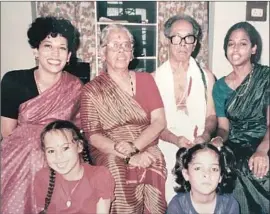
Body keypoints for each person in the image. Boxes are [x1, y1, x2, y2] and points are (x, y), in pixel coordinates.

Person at [80, 24, 167, 214]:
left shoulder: (146, 80)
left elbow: (159, 121)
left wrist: (135, 147)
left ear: (132, 53)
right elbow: (93, 136)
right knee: (114, 165)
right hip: (110, 147)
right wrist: (129, 156)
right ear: (103, 52)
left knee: (156, 158)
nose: (121, 50)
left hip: (142, 142)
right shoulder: (91, 90)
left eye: (126, 45)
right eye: (114, 45)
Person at [1, 16, 82, 214]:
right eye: (48, 46)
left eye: (62, 48)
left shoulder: (75, 86)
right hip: (19, 157)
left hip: (61, 155)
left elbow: (77, 129)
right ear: (36, 51)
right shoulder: (14, 80)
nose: (55, 53)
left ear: (69, 55)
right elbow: (7, 132)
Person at [154, 14, 217, 202]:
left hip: (199, 144)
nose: (182, 43)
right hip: (166, 144)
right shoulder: (153, 79)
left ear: (195, 43)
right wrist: (175, 140)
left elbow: (211, 116)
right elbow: (154, 125)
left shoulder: (207, 77)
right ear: (167, 40)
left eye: (188, 37)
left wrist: (205, 137)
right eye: (176, 37)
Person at [212, 21, 270, 214]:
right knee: (221, 165)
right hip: (235, 143)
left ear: (253, 48)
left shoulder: (266, 77)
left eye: (242, 43)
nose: (235, 49)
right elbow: (224, 128)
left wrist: (262, 150)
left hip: (265, 140)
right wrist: (219, 138)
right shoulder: (220, 87)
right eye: (231, 43)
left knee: (261, 169)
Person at [34, 120, 115, 214]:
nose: (58, 156)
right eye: (51, 151)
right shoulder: (42, 177)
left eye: (65, 148)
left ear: (79, 146)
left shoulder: (99, 176)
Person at [167, 143, 239, 214]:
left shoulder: (229, 204)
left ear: (220, 176)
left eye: (214, 169)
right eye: (198, 168)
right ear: (186, 174)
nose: (206, 174)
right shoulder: (177, 205)